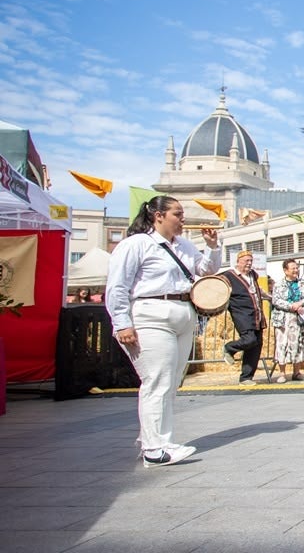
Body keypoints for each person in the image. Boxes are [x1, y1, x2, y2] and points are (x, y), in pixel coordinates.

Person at [106, 195, 220, 468]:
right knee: (157, 379)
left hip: (182, 312)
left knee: (170, 381)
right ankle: (154, 448)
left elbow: (207, 270)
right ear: (158, 215)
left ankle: (158, 439)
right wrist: (122, 323)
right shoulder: (136, 244)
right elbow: (117, 286)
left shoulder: (184, 245)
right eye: (177, 214)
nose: (182, 220)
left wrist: (212, 247)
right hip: (150, 313)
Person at [220, 250, 266, 385]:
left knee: (256, 344)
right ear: (238, 261)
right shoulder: (228, 275)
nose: (249, 263)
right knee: (249, 339)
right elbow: (216, 286)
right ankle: (229, 348)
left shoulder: (253, 275)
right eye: (246, 261)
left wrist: (269, 296)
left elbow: (257, 291)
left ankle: (246, 378)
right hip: (241, 313)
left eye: (251, 261)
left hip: (256, 313)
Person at [271, 258, 304, 383]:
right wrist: (290, 306)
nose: (296, 270)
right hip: (284, 319)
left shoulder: (303, 283)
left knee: (298, 343)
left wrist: (300, 303)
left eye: (297, 268)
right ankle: (282, 373)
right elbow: (276, 300)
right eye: (293, 268)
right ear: (286, 271)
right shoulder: (279, 284)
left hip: (300, 318)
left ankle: (296, 372)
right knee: (282, 344)